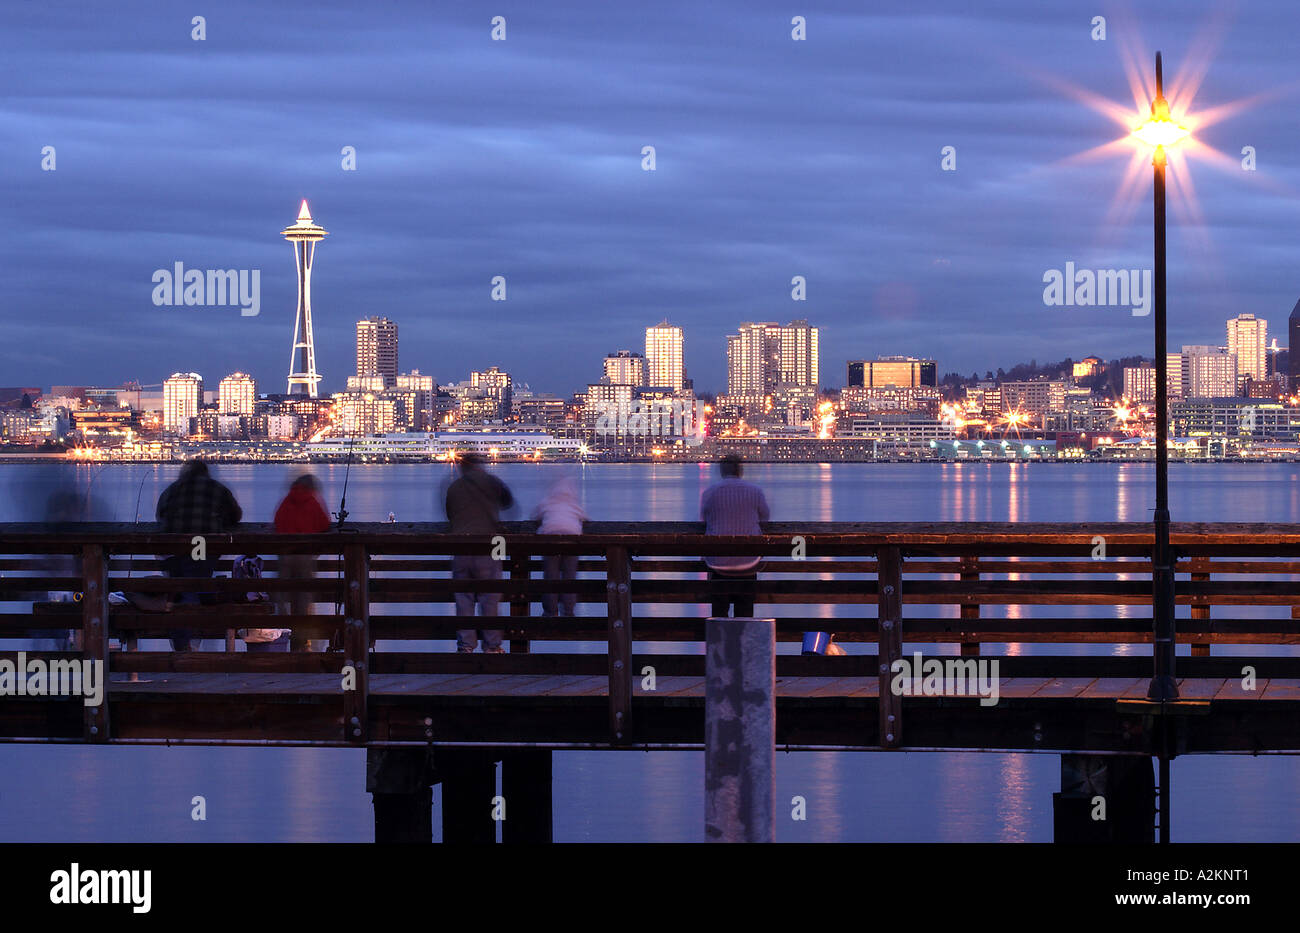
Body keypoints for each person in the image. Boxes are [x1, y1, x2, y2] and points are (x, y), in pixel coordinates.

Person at [155, 460, 242, 650]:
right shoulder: (217, 489)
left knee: (184, 589)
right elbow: (236, 516)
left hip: (173, 549)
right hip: (201, 545)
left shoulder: (172, 489)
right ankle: (189, 644)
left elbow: (160, 516)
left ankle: (183, 643)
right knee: (193, 588)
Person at [444, 453, 515, 653]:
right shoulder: (491, 482)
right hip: (490, 545)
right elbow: (508, 502)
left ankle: (465, 646)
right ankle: (492, 646)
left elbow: (450, 514)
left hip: (461, 547)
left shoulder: (454, 487)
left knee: (463, 599)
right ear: (480, 466)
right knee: (490, 597)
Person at [700, 454, 769, 618]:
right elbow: (764, 518)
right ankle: (743, 634)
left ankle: (719, 636)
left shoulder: (710, 493)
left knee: (719, 610)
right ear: (741, 470)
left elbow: (704, 519)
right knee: (745, 610)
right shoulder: (756, 491)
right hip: (748, 562)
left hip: (718, 564)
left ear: (722, 471)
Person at [272, 473, 332, 652]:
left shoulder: (286, 501)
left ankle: (284, 636)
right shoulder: (313, 501)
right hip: (305, 556)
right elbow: (324, 524)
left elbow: (277, 522)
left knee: (284, 597)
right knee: (303, 598)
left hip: (285, 556)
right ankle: (302, 640)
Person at [531, 474, 586, 617]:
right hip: (572, 541)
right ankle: (568, 611)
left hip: (550, 541)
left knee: (550, 576)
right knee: (569, 577)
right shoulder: (573, 504)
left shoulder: (547, 502)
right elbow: (585, 518)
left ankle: (550, 611)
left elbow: (534, 516)